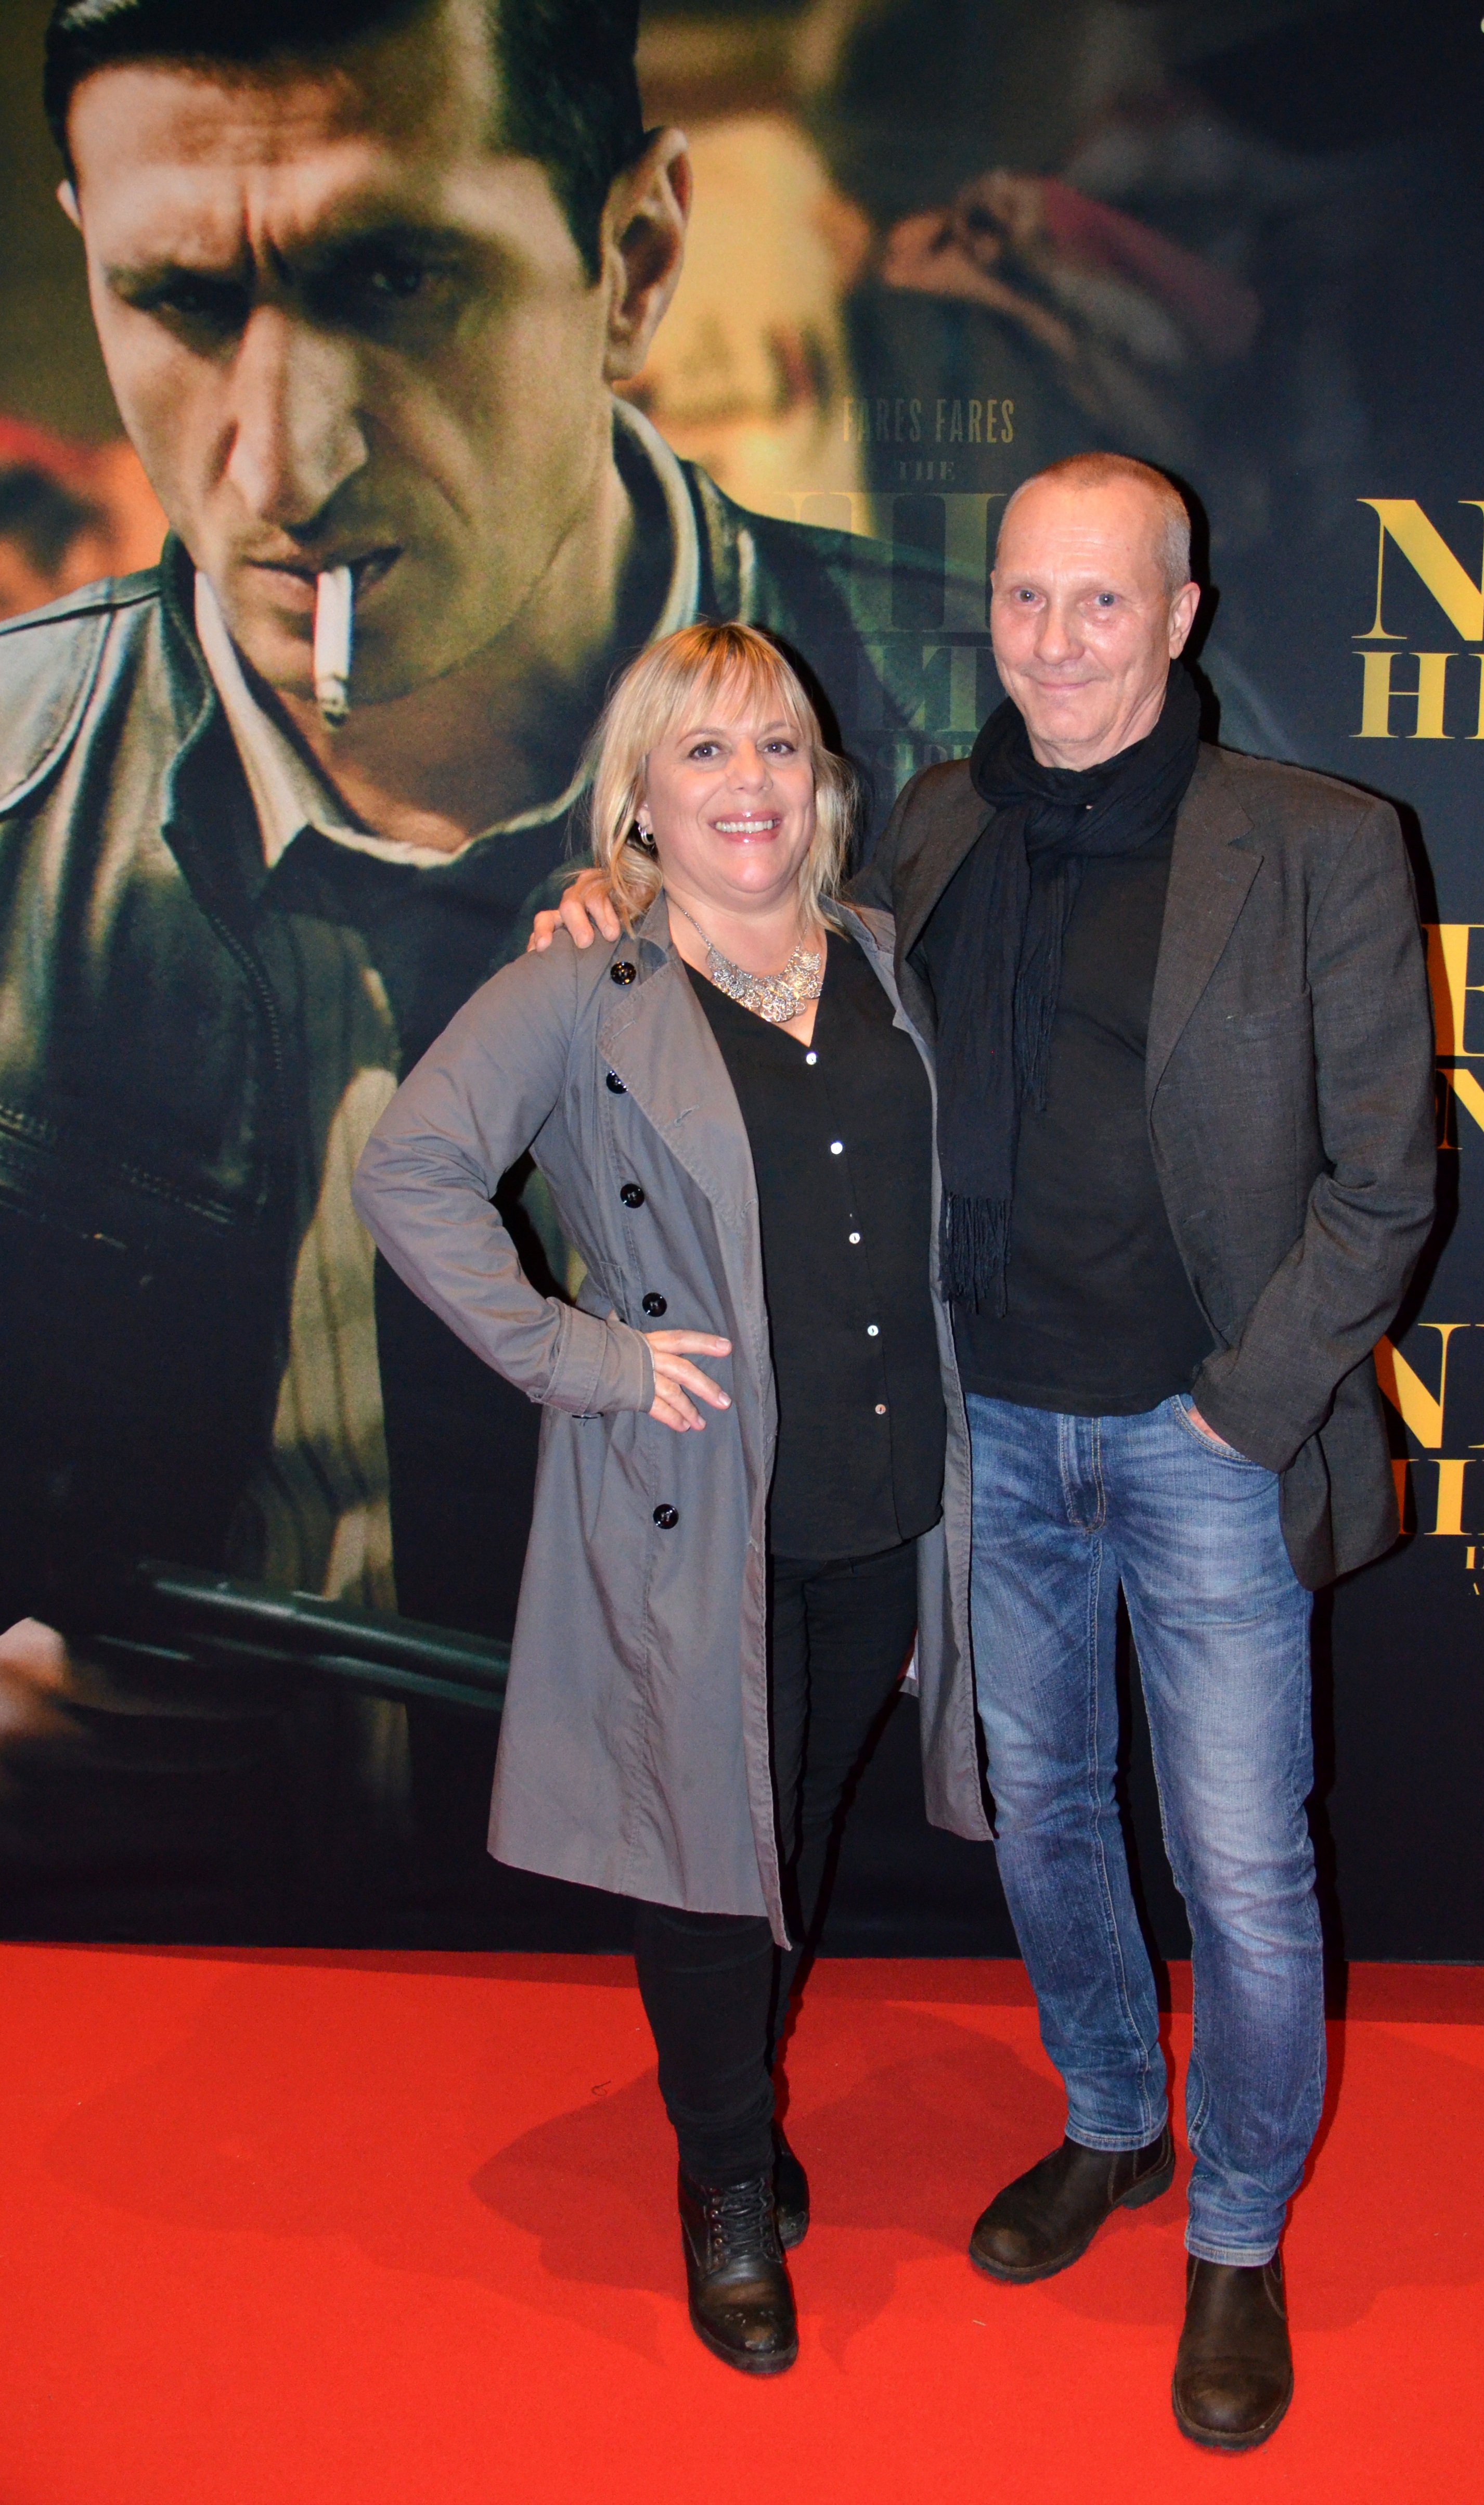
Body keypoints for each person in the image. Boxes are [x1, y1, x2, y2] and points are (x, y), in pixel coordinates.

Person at [0, 0, 962, 1933]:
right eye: (180, 299)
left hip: (762, 1922)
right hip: (172, 1978)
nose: (285, 459)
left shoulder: (982, 775)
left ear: (637, 260)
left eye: (397, 278)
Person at [535, 451, 1437, 2448]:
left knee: (1244, 1865)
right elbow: (780, 959)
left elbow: (1388, 1185)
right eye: (1026, 598)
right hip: (991, 1443)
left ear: (1181, 615)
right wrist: (623, 901)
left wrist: (1246, 1407)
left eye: (1102, 601)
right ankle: (1114, 2121)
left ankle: (1238, 2230)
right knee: (1043, 1824)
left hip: (1211, 1441)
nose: (1057, 641)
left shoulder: (1320, 842)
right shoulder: (940, 820)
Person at [355, 621, 984, 2373]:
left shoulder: (885, 958)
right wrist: (582, 1357)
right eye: (701, 751)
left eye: (776, 744)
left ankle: (739, 2103)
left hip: (883, 1494)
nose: (747, 782)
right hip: (696, 1504)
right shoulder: (585, 984)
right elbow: (411, 1172)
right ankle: (723, 2177)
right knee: (712, 1848)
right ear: (638, 796)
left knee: (798, 1822)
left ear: (823, 781)